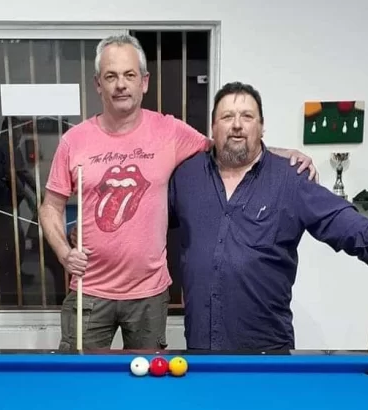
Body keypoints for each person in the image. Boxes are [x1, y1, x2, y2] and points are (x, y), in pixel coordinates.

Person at [39, 34, 318, 351]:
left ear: (144, 82)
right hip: (89, 289)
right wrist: (64, 253)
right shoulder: (74, 141)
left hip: (148, 294)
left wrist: (279, 153)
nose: (121, 85)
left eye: (129, 75)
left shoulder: (169, 131)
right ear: (98, 84)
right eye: (111, 76)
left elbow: (224, 147)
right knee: (79, 378)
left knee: (147, 380)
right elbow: (50, 207)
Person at [168, 81, 368, 350]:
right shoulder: (186, 177)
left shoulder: (290, 178)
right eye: (227, 117)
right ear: (213, 127)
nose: (237, 125)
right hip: (201, 346)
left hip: (267, 350)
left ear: (261, 127)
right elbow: (152, 219)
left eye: (247, 116)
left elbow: (332, 214)